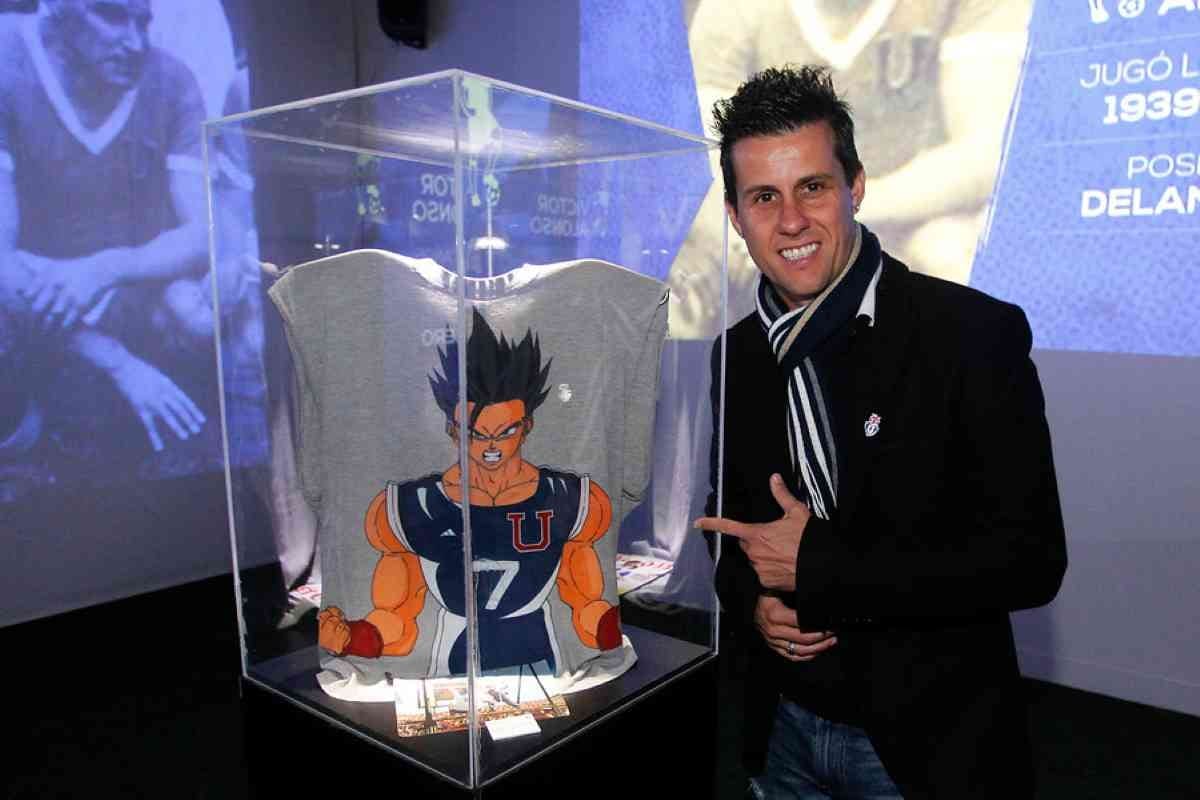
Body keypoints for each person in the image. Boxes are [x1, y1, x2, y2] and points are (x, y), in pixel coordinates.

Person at [693, 66, 1066, 799]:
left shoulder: (971, 334)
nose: (791, 221)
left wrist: (819, 566)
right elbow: (728, 524)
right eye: (764, 197)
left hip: (925, 744)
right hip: (781, 727)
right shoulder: (736, 353)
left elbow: (1029, 561)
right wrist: (753, 603)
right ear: (735, 216)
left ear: (855, 187)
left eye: (813, 187)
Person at [670, 0, 1031, 339]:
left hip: (916, 220)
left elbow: (987, 154)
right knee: (677, 291)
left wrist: (839, 213)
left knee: (951, 255)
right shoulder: (737, 9)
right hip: (771, 230)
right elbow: (703, 155)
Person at [318, 309, 622, 675]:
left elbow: (587, 604)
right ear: (452, 429)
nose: (490, 445)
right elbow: (395, 616)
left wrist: (607, 629)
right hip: (449, 663)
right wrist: (354, 639)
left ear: (526, 426)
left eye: (505, 432)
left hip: (540, 658)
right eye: (475, 433)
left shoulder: (571, 499)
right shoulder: (410, 507)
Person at [0, 0, 213, 490]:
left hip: (120, 289)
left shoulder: (170, 80)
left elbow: (205, 233)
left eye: (143, 20)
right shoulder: (8, 61)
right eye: (112, 16)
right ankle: (25, 437)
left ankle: (161, 444)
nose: (134, 42)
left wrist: (105, 268)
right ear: (57, 8)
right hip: (35, 296)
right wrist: (117, 363)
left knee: (194, 312)